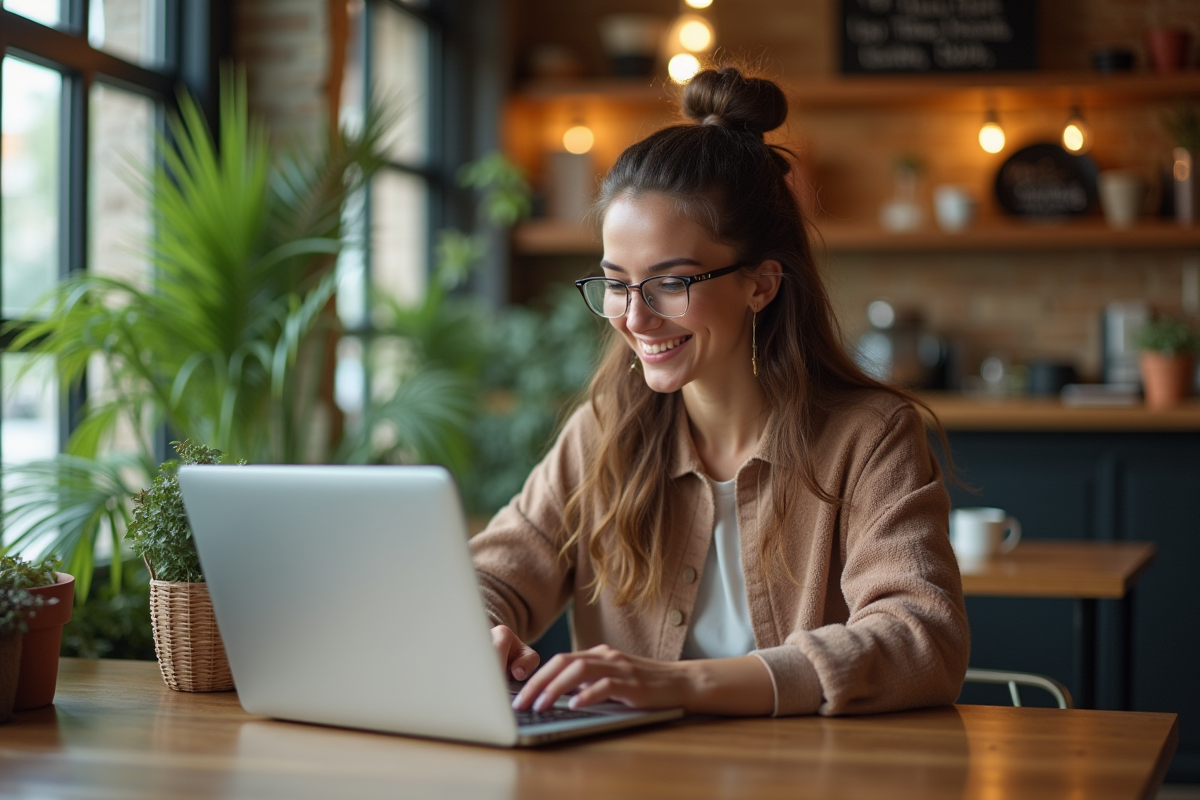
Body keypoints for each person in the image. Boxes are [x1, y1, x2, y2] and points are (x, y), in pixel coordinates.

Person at [471, 66, 969, 718]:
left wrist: (681, 683)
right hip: (624, 770)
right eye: (616, 283)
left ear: (761, 284)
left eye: (670, 283)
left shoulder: (869, 437)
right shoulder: (604, 431)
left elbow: (922, 638)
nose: (635, 318)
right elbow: (491, 574)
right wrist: (480, 628)